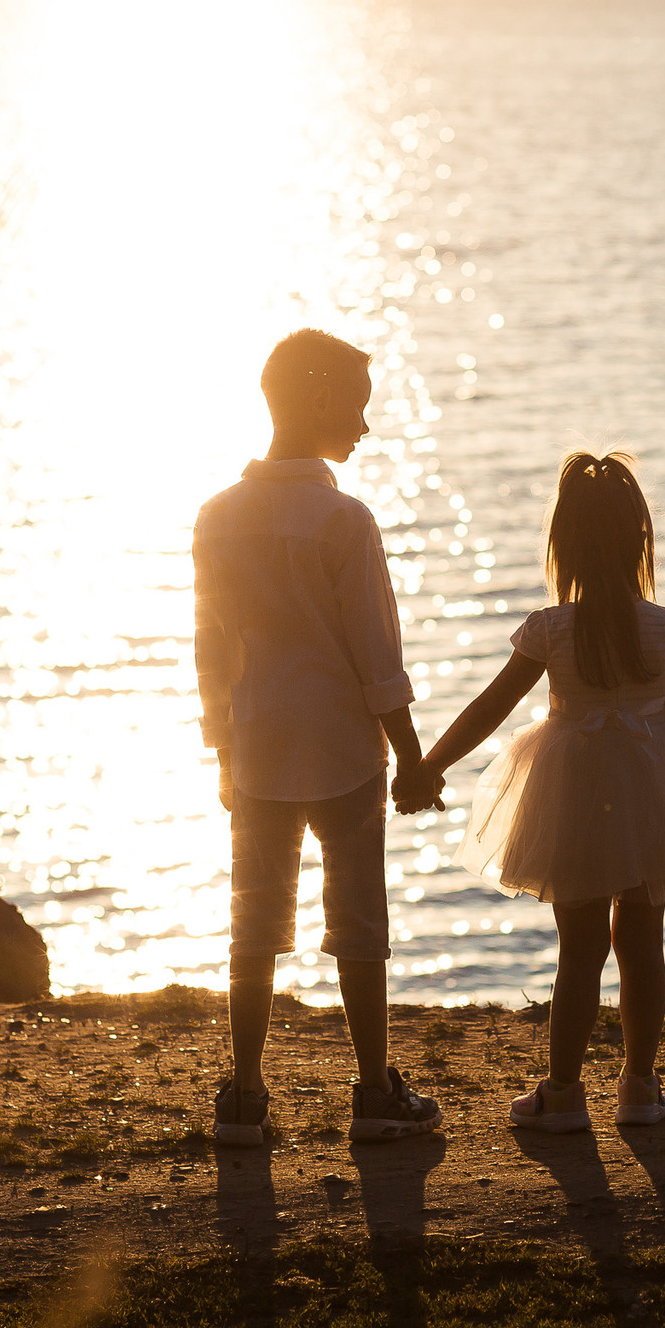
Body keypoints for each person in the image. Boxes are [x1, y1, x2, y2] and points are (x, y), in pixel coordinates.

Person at [413, 451, 665, 1132]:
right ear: (640, 541)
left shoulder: (550, 628)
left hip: (570, 793)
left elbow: (489, 708)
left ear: (562, 546)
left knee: (580, 948)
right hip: (650, 791)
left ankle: (564, 1094)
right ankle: (639, 1088)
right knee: (643, 942)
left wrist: (430, 765)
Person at [192, 328, 446, 1146]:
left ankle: (244, 1096)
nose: (366, 426)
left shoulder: (217, 518)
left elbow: (212, 648)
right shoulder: (346, 521)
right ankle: (373, 1093)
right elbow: (378, 655)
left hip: (259, 750)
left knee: (255, 924)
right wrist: (412, 757)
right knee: (360, 921)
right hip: (343, 751)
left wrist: (223, 746)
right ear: (323, 400)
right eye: (359, 408)